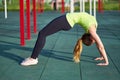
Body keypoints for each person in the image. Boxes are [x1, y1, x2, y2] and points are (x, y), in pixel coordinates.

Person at [21, 12, 109, 66]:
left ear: (90, 37)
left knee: (42, 34)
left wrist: (106, 61)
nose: (96, 40)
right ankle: (33, 58)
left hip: (66, 20)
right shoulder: (93, 29)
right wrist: (102, 57)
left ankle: (33, 59)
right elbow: (99, 46)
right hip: (66, 21)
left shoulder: (92, 31)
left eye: (94, 40)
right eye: (94, 41)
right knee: (42, 34)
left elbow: (100, 46)